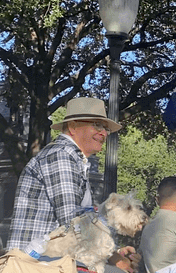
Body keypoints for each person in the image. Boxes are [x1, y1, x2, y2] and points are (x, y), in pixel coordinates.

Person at [8, 97, 119, 254]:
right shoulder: (61, 156)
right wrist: (113, 254)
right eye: (97, 125)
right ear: (73, 127)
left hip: (50, 264)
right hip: (38, 267)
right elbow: (73, 222)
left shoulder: (73, 159)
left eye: (105, 128)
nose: (103, 133)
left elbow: (82, 221)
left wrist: (115, 251)